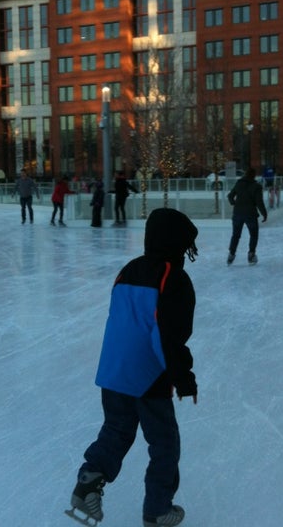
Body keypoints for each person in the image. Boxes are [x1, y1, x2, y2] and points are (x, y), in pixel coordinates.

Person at [67, 208, 199, 527]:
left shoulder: (128, 270)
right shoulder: (173, 278)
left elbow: (122, 321)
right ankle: (157, 510)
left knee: (116, 430)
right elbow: (168, 335)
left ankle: (89, 481)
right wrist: (183, 377)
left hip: (113, 370)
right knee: (164, 443)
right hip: (147, 374)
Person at [226, 167, 267, 265]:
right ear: (254, 175)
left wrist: (234, 203)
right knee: (253, 235)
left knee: (236, 235)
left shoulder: (239, 183)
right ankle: (251, 254)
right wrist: (264, 214)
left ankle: (231, 255)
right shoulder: (256, 186)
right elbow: (259, 202)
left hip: (237, 214)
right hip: (250, 214)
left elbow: (230, 196)